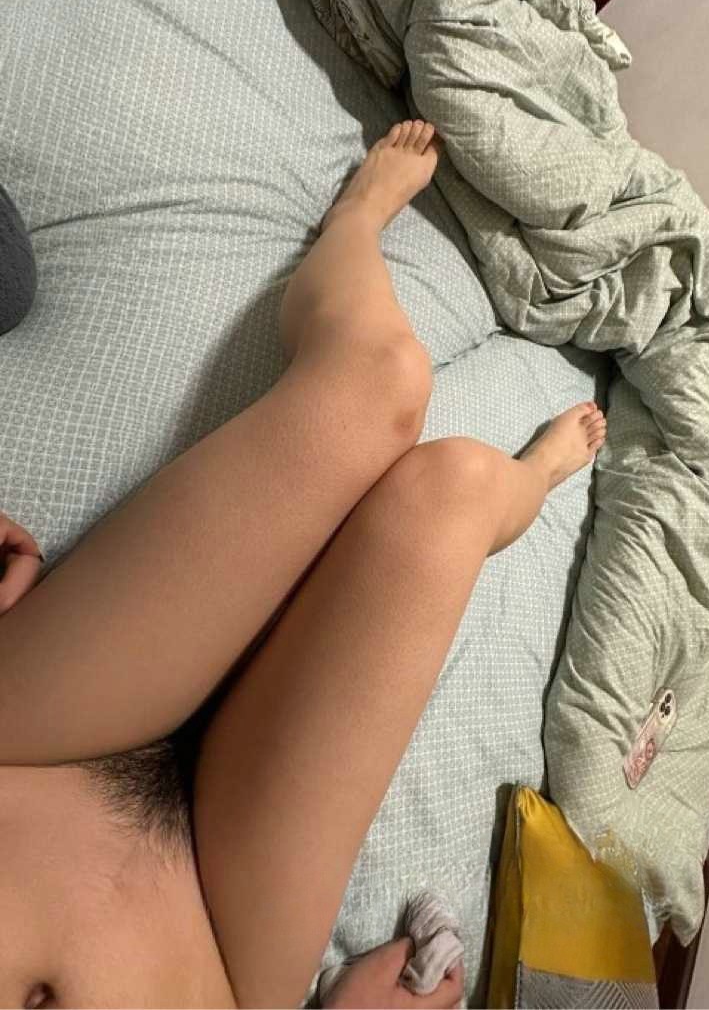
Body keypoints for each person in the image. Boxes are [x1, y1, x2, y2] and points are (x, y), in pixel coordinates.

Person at [0, 119, 606, 1009]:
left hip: (23, 743)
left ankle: (351, 226)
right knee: (458, 489)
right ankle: (534, 479)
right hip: (229, 962)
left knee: (381, 382)